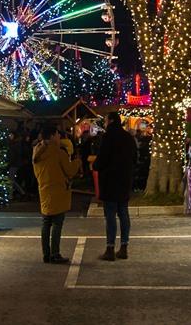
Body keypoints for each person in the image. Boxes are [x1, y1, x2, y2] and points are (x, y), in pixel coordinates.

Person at [33, 127, 82, 264]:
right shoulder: (58, 152)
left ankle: (46, 254)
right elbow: (69, 170)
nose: (59, 137)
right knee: (57, 223)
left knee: (46, 222)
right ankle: (55, 254)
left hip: (44, 190)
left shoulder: (37, 151)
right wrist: (77, 162)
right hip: (58, 191)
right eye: (58, 134)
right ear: (53, 136)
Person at [93, 112, 136, 261]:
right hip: (124, 180)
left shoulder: (108, 137)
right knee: (123, 213)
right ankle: (124, 247)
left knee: (110, 214)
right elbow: (134, 159)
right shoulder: (128, 138)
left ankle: (110, 248)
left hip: (110, 181)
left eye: (105, 120)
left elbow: (102, 158)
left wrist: (96, 166)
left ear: (110, 121)